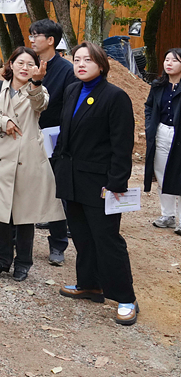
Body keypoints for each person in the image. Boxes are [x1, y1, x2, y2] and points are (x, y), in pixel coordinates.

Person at [51, 42, 138, 326]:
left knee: (107, 239)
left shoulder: (115, 97)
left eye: (88, 59)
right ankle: (90, 284)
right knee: (82, 235)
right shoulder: (73, 90)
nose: (81, 64)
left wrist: (117, 183)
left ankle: (125, 297)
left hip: (101, 183)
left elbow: (122, 145)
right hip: (72, 178)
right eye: (77, 59)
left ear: (101, 64)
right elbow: (66, 131)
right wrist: (57, 165)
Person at [0, 47, 64, 282]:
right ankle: (2, 259)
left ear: (36, 68)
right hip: (1, 157)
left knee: (25, 214)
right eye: (20, 63)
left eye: (30, 64)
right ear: (11, 64)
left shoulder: (39, 89)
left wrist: (36, 83)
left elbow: (40, 106)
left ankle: (23, 263)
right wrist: (2, 121)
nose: (25, 68)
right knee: (1, 211)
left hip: (28, 159)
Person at [27, 19, 77, 265]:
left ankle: (58, 244)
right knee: (21, 186)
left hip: (53, 135)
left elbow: (69, 107)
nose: (32, 39)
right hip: (25, 133)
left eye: (37, 35)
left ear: (51, 40)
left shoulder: (66, 70)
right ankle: (12, 236)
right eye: (31, 35)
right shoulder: (26, 63)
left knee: (56, 191)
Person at [143, 47, 181, 233]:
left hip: (178, 134)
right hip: (161, 132)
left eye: (174, 60)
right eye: (167, 60)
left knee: (179, 175)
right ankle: (168, 215)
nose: (169, 63)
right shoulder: (158, 85)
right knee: (162, 173)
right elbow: (149, 107)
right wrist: (150, 126)